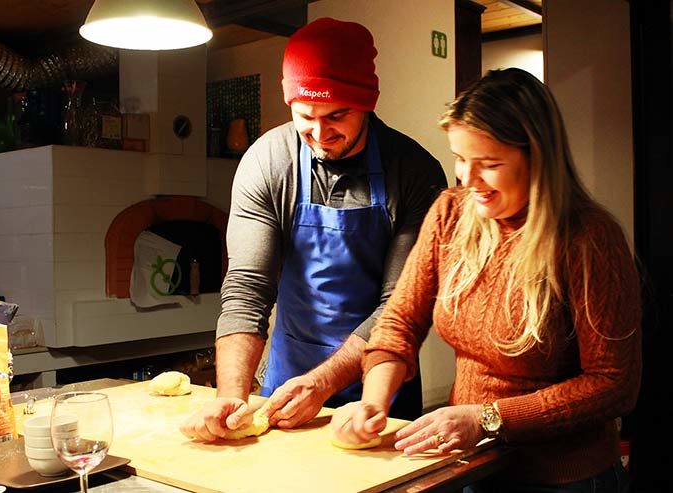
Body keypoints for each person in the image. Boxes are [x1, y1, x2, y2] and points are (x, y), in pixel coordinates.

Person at [331, 68, 641, 493]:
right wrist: (372, 403)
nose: (468, 180)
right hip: (476, 465)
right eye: (460, 159)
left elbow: (613, 385)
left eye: (489, 164)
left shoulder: (589, 238)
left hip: (566, 478)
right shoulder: (450, 213)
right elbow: (399, 322)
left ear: (537, 157)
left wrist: (489, 418)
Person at [179, 17, 446, 442]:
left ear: (367, 104)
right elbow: (248, 285)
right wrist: (231, 396)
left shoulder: (414, 172)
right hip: (286, 388)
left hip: (381, 395)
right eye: (305, 116)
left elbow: (400, 306)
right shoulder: (268, 161)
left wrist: (323, 383)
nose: (320, 133)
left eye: (337, 115)